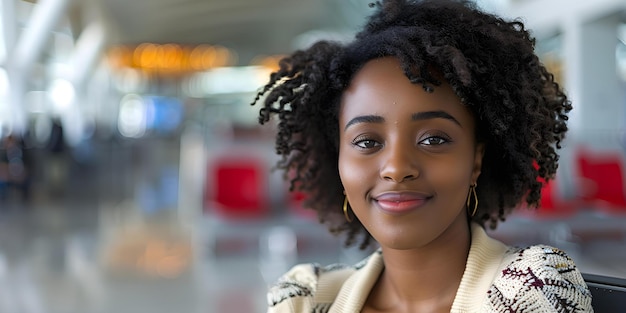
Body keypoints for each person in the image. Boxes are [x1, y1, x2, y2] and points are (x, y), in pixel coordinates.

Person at [252, 0, 593, 312]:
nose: (397, 168)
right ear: (339, 159)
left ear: (476, 160)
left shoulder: (533, 290)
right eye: (367, 142)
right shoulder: (303, 299)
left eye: (433, 139)